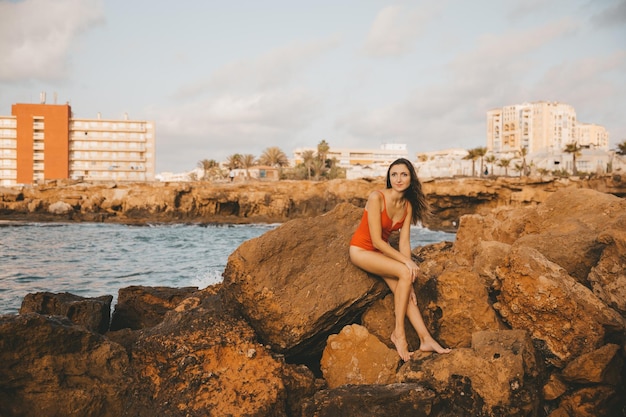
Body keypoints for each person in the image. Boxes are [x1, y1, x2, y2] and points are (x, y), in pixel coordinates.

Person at [349, 158, 451, 361]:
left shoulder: (407, 206)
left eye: (404, 174)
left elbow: (404, 243)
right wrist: (407, 264)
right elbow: (377, 241)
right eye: (394, 174)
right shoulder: (376, 197)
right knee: (406, 272)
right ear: (389, 177)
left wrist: (409, 277)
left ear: (411, 178)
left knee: (405, 289)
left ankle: (426, 339)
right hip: (361, 251)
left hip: (380, 255)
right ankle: (399, 334)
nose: (398, 179)